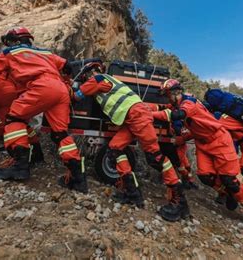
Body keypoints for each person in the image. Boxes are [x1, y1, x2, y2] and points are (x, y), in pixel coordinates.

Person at [72, 62, 189, 222]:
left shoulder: (97, 79)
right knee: (114, 149)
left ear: (91, 72)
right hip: (131, 119)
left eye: (85, 75)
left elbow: (77, 96)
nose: (85, 78)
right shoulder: (109, 81)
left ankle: (179, 201)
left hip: (137, 116)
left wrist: (68, 88)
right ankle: (131, 191)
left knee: (155, 157)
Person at [0, 27, 87, 193]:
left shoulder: (10, 52)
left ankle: (20, 165)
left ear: (13, 40)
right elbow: (67, 66)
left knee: (14, 118)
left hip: (41, 86)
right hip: (60, 89)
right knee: (60, 133)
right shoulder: (45, 53)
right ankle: (77, 178)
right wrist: (65, 79)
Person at [152, 79, 243, 229]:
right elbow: (162, 108)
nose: (167, 98)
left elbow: (177, 115)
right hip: (203, 142)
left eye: (167, 95)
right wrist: (143, 107)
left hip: (219, 141)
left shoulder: (188, 103)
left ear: (174, 93)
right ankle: (227, 193)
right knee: (205, 176)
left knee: (230, 179)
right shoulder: (177, 103)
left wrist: (151, 115)